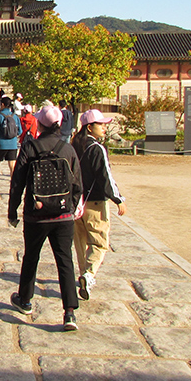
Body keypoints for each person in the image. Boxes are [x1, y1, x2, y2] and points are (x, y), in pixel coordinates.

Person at [8, 105, 83, 331]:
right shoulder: (68, 149)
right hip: (63, 215)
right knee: (65, 261)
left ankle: (25, 300)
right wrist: (71, 207)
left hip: (36, 214)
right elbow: (77, 184)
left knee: (31, 257)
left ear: (40, 124)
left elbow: (17, 182)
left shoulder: (30, 148)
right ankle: (69, 312)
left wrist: (13, 211)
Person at [71, 109, 127, 301]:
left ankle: (83, 274)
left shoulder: (73, 146)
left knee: (80, 242)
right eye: (101, 124)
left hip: (76, 202)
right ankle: (89, 274)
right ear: (89, 127)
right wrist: (117, 198)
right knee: (99, 242)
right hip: (94, 202)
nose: (104, 127)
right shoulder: (96, 149)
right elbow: (105, 176)